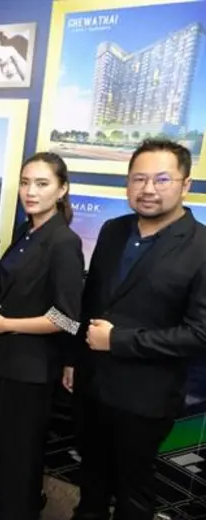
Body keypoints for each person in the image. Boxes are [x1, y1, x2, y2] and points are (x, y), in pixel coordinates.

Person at [69, 139, 206, 520]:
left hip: (146, 397)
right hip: (92, 384)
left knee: (133, 492)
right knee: (91, 478)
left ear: (185, 185)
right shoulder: (113, 230)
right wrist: (74, 360)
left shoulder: (201, 247)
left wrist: (118, 340)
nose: (148, 189)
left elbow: (200, 334)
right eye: (139, 179)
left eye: (162, 179)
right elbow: (91, 304)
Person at [0, 152, 84, 520]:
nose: (30, 191)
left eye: (42, 184)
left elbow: (66, 319)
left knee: (19, 452)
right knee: (7, 448)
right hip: (8, 357)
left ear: (62, 189)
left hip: (33, 367)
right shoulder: (26, 231)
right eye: (26, 183)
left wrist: (7, 326)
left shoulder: (63, 241)